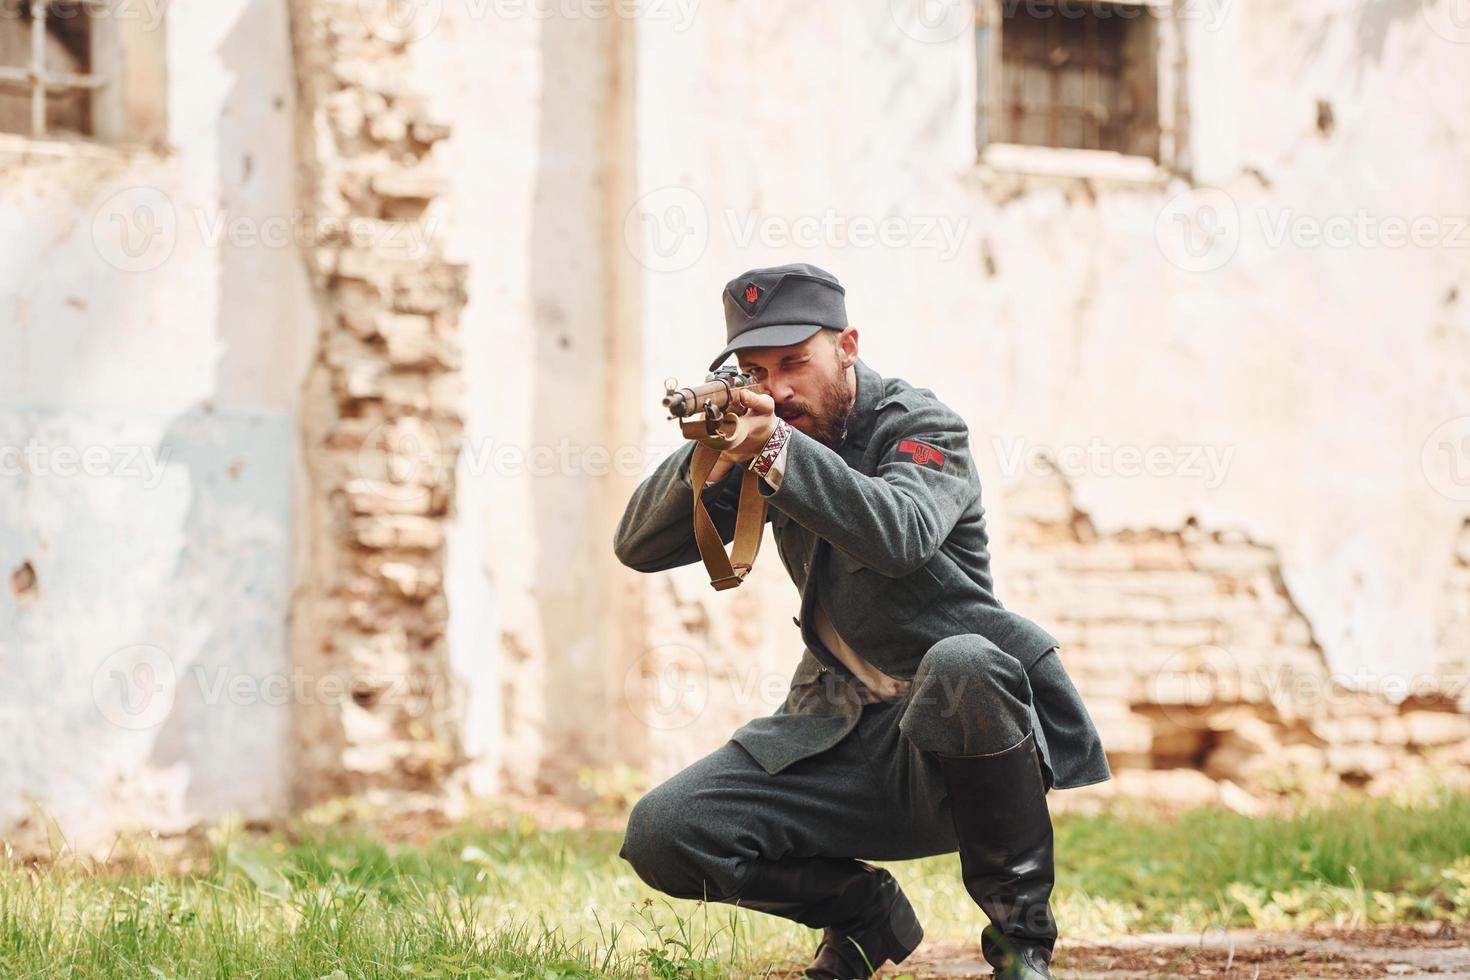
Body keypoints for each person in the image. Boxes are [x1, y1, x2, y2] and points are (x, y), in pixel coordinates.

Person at [613, 262, 1110, 980]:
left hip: (961, 738)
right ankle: (861, 915)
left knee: (965, 660)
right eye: (756, 370)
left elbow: (898, 534)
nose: (779, 389)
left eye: (795, 362)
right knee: (666, 833)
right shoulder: (764, 434)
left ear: (847, 346)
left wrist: (779, 450)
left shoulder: (921, 424)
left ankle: (1021, 946)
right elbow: (638, 545)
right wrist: (714, 444)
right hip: (838, 728)